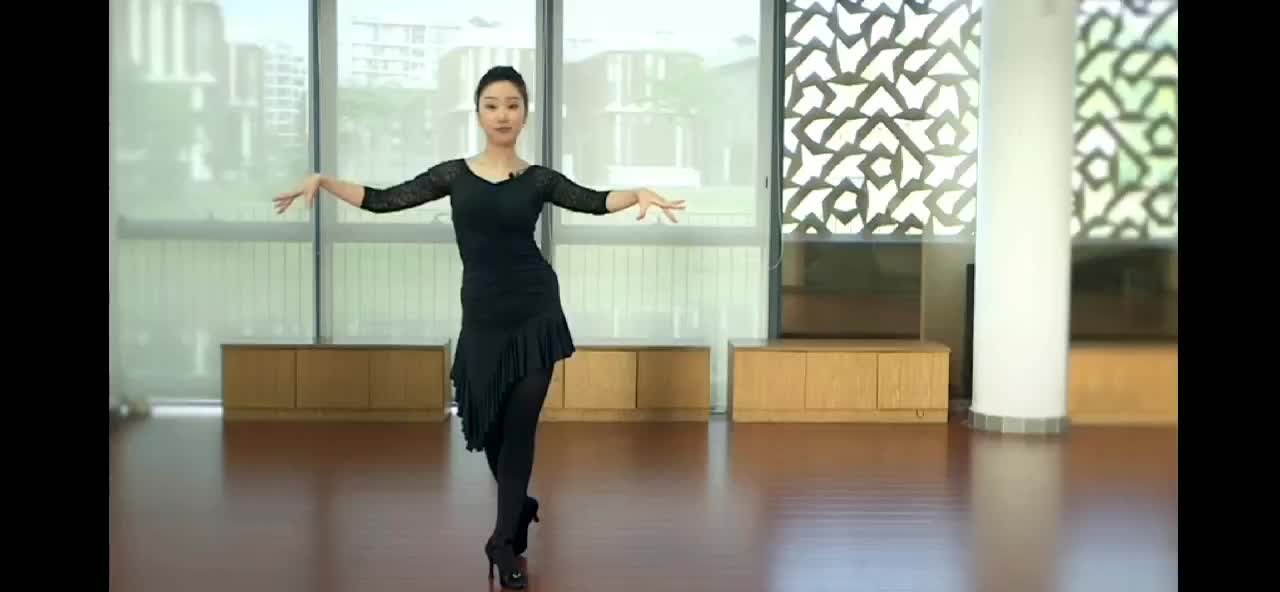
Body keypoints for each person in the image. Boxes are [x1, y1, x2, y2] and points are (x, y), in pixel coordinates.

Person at [272, 65, 685, 590]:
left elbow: (593, 199)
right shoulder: (454, 175)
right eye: (492, 105)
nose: (503, 114)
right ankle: (521, 505)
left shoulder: (539, 179)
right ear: (479, 114)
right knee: (488, 426)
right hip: (484, 317)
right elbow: (384, 198)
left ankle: (502, 541)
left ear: (525, 114)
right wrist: (324, 182)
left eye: (512, 105)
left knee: (520, 429)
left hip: (535, 312)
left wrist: (638, 193)